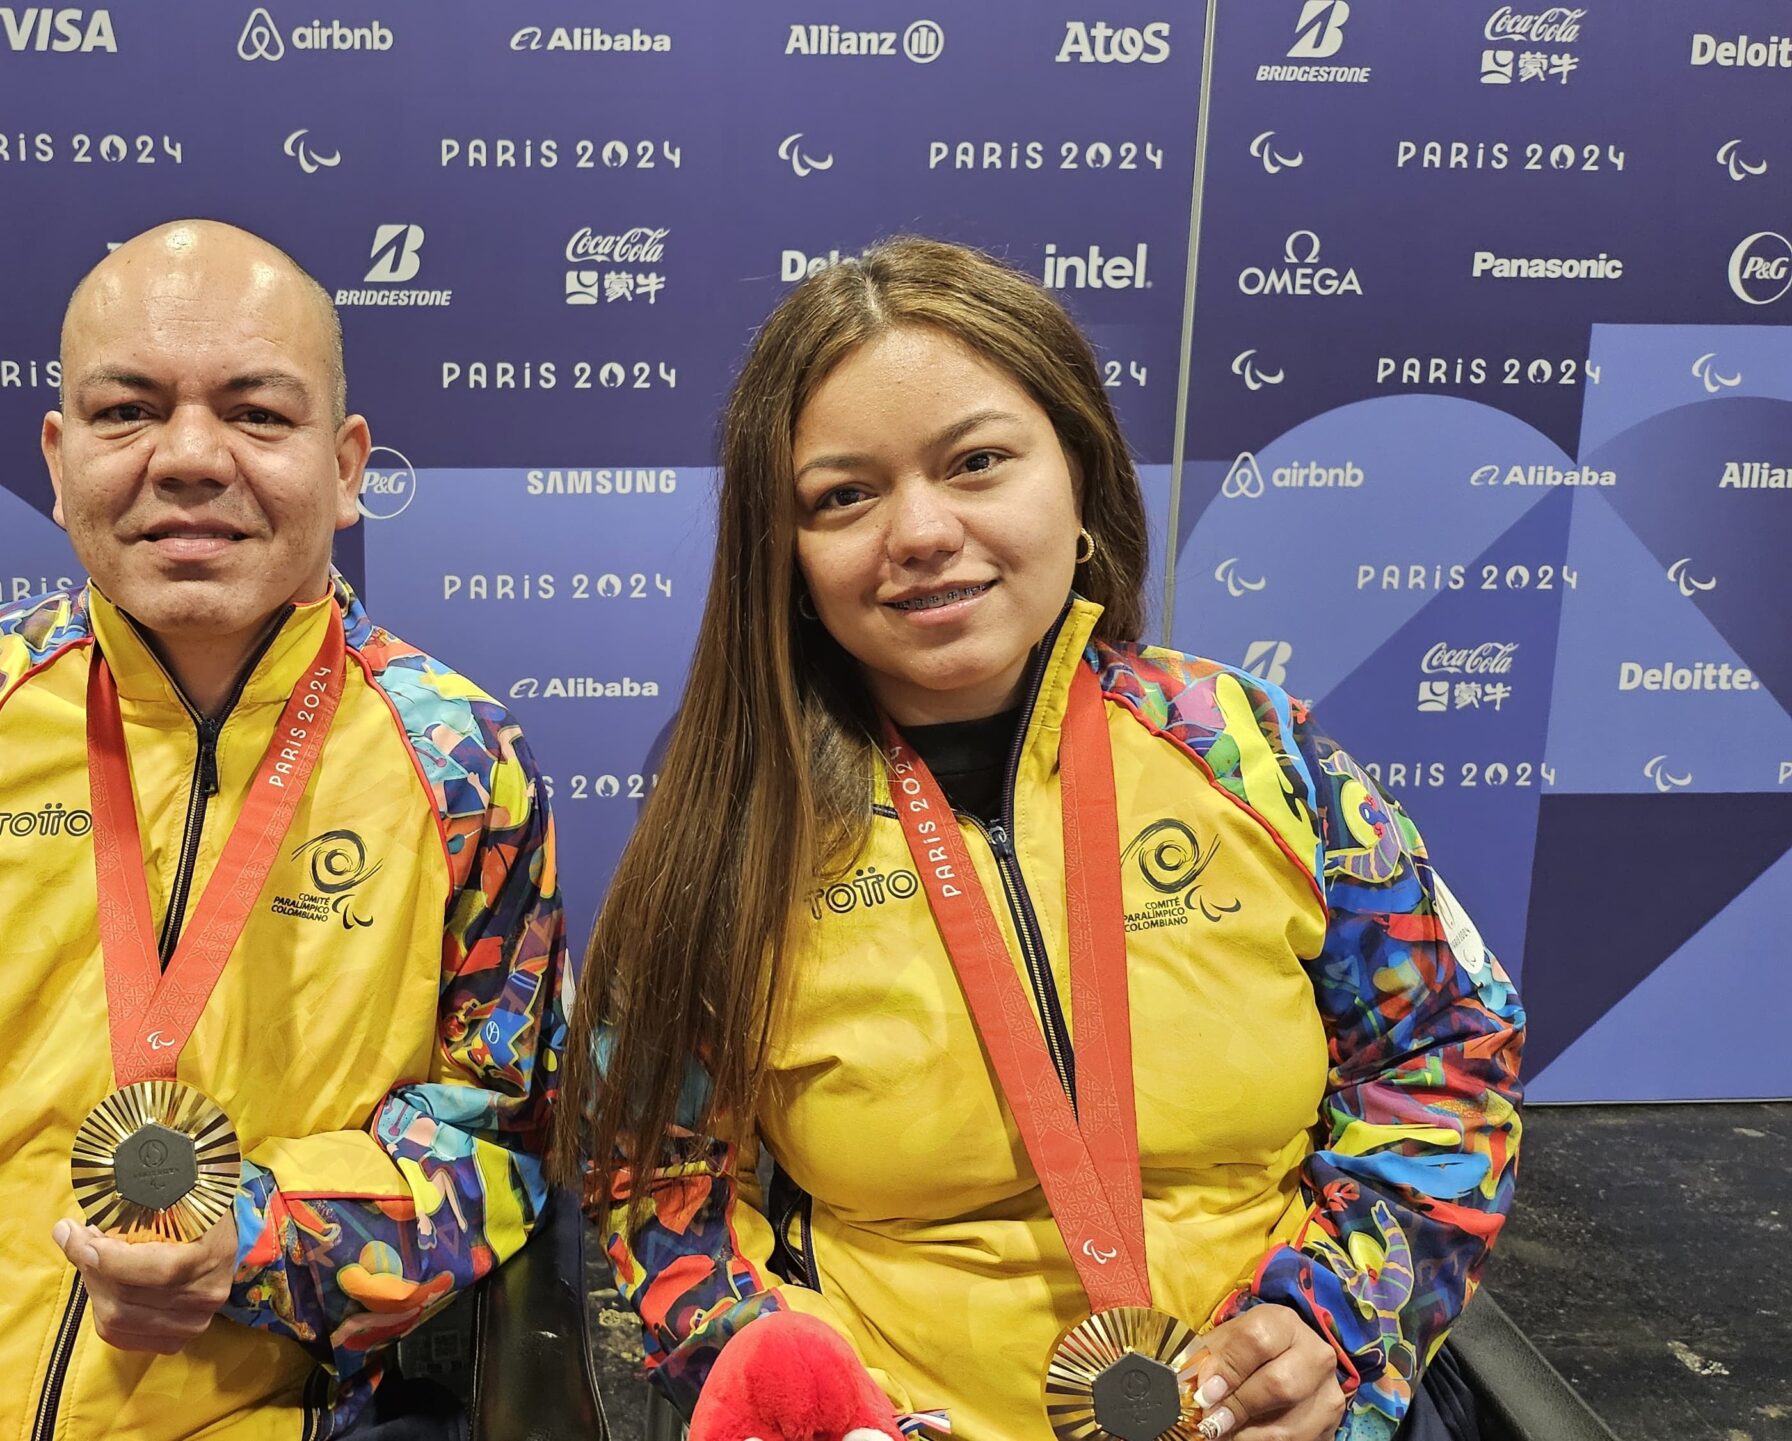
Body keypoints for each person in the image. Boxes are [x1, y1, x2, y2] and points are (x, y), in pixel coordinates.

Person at [562, 237, 1523, 1441]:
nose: (918, 530)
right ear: (789, 557)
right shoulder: (730, 831)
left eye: (975, 462)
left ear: (1076, 481)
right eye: (842, 495)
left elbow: (1441, 1050)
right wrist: (826, 1412)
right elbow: (659, 1187)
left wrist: (1339, 1324)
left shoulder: (1250, 749)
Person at [0, 220, 566, 1441]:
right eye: (127, 410)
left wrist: (255, 1236)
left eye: (257, 413)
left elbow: (500, 1139)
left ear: (346, 465)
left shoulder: (464, 766)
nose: (190, 458)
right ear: (57, 454)